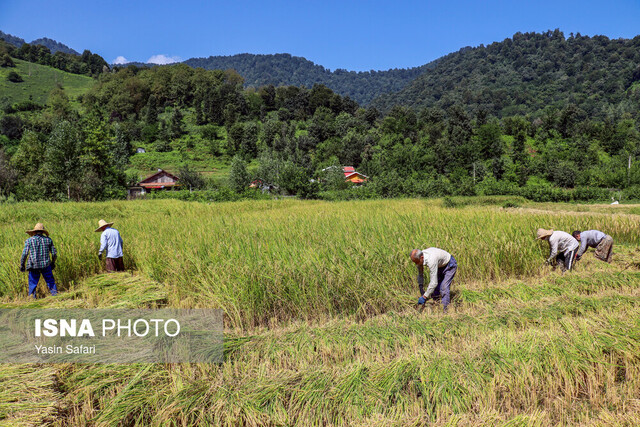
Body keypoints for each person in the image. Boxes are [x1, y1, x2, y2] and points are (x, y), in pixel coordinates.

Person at [410, 247, 457, 312]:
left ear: (422, 258)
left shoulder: (431, 260)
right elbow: (420, 274)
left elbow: (434, 283)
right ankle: (436, 304)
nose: (416, 264)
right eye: (415, 262)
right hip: (440, 265)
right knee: (435, 289)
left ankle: (445, 309)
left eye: (416, 262)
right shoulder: (419, 258)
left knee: (443, 287)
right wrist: (421, 287)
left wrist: (424, 297)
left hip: (450, 265)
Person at [19, 223, 58, 298]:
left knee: (32, 283)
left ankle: (32, 298)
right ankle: (55, 297)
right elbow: (54, 253)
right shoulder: (48, 240)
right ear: (43, 232)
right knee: (50, 281)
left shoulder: (29, 240)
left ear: (34, 232)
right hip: (46, 265)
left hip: (33, 265)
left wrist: (22, 265)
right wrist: (53, 262)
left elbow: (24, 254)